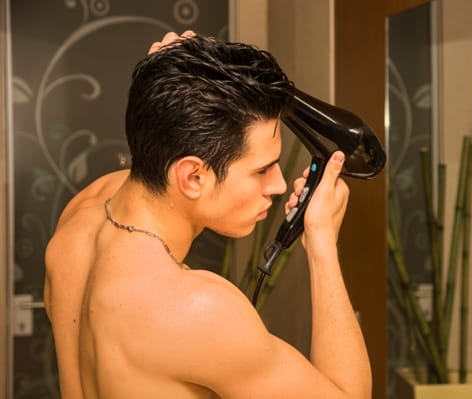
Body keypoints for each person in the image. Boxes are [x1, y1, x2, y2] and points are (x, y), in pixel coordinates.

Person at [44, 31, 371, 399]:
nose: (279, 185)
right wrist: (322, 243)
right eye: (262, 170)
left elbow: (159, 149)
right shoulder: (197, 310)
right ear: (193, 176)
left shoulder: (85, 211)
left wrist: (170, 86)